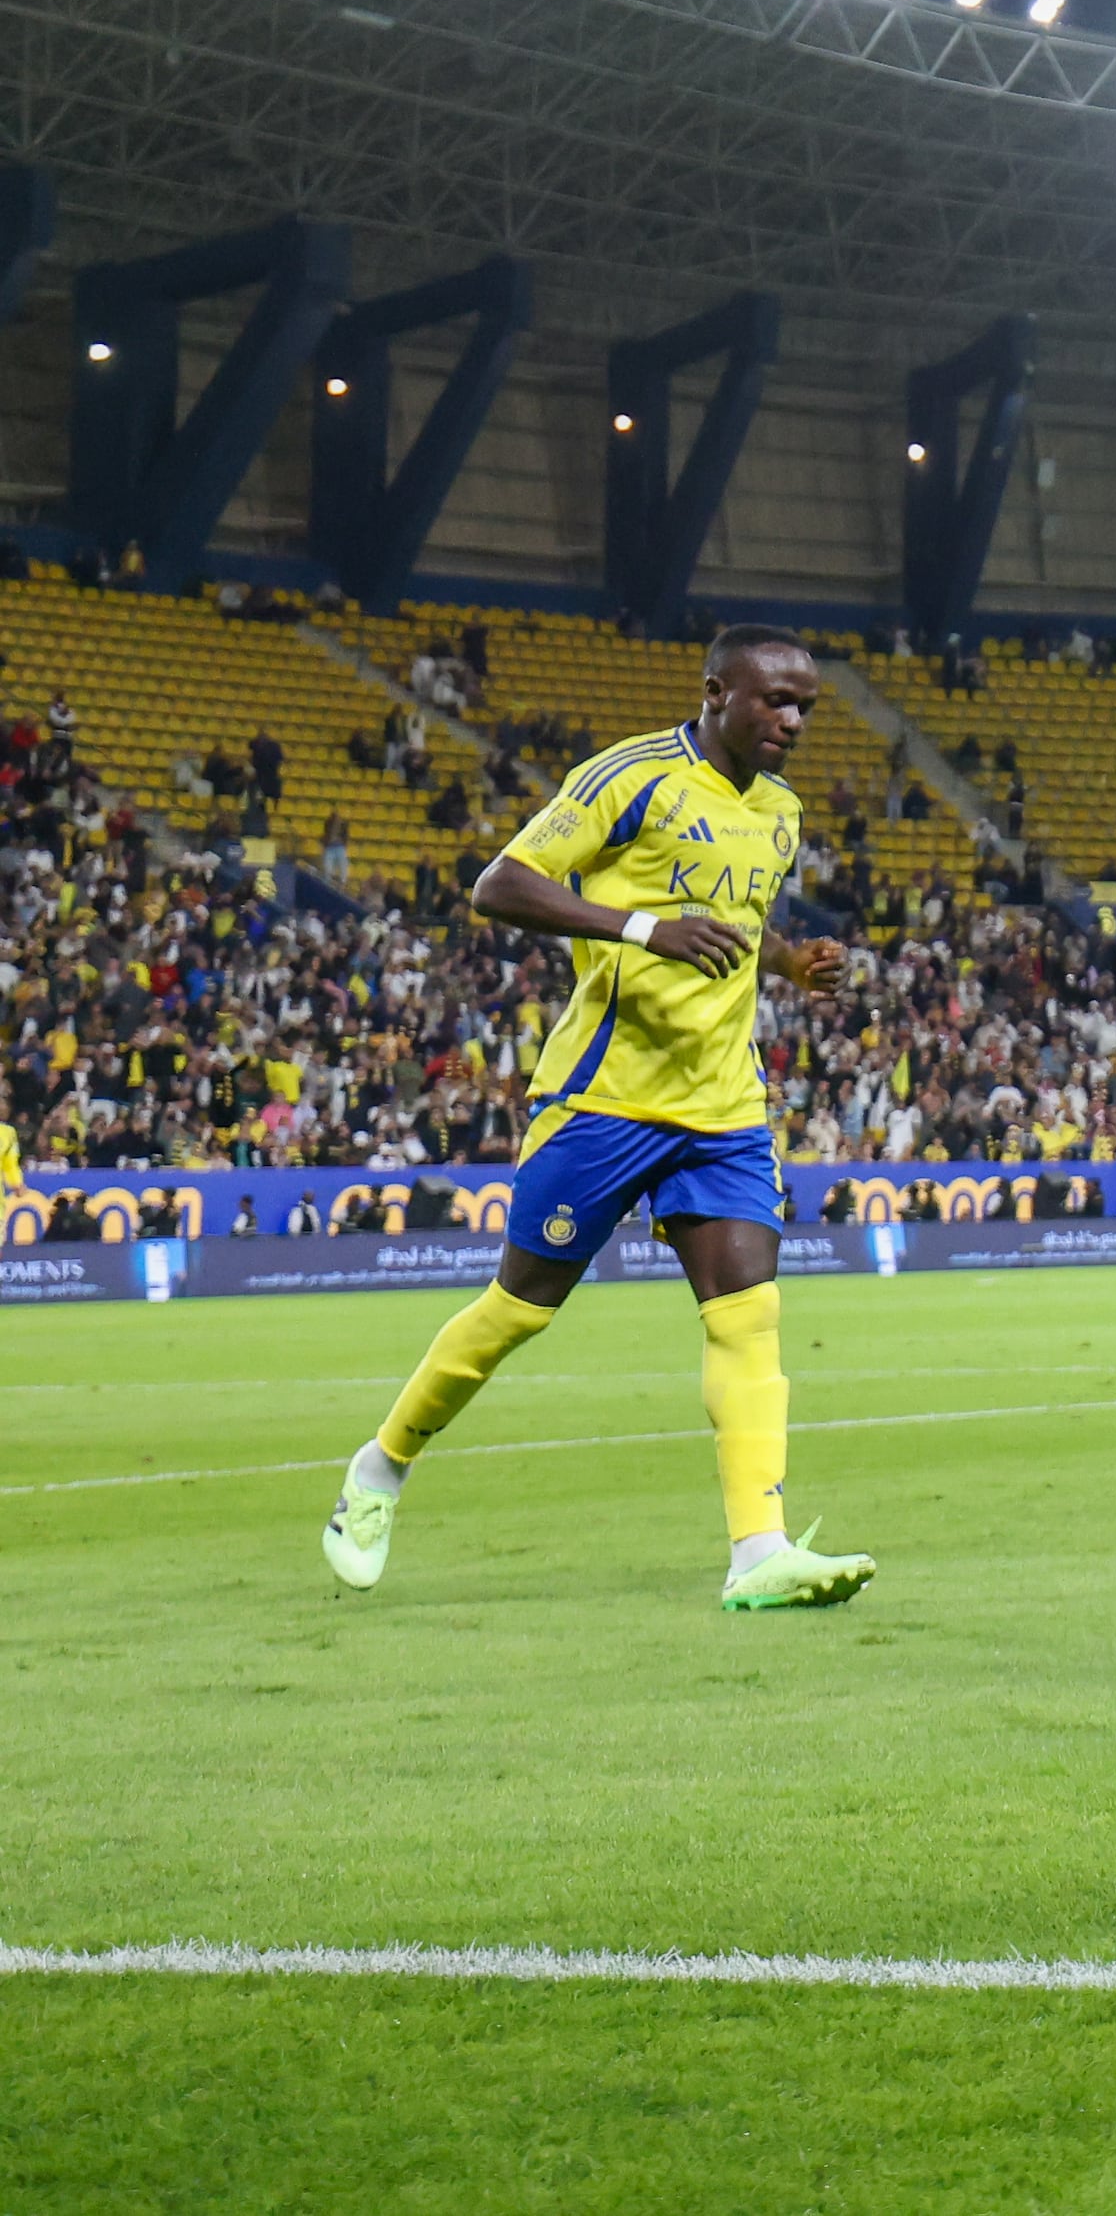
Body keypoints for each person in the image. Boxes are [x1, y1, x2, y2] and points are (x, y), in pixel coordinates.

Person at [318, 626, 875, 1612]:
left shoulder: (780, 811)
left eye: (806, 707)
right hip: (603, 1096)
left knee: (749, 1314)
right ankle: (380, 1466)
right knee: (517, 1310)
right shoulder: (632, 777)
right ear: (715, 690)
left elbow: (735, 920)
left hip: (723, 1104)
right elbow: (499, 884)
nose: (792, 721)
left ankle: (758, 1549)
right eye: (774, 701)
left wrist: (784, 961)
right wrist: (642, 927)